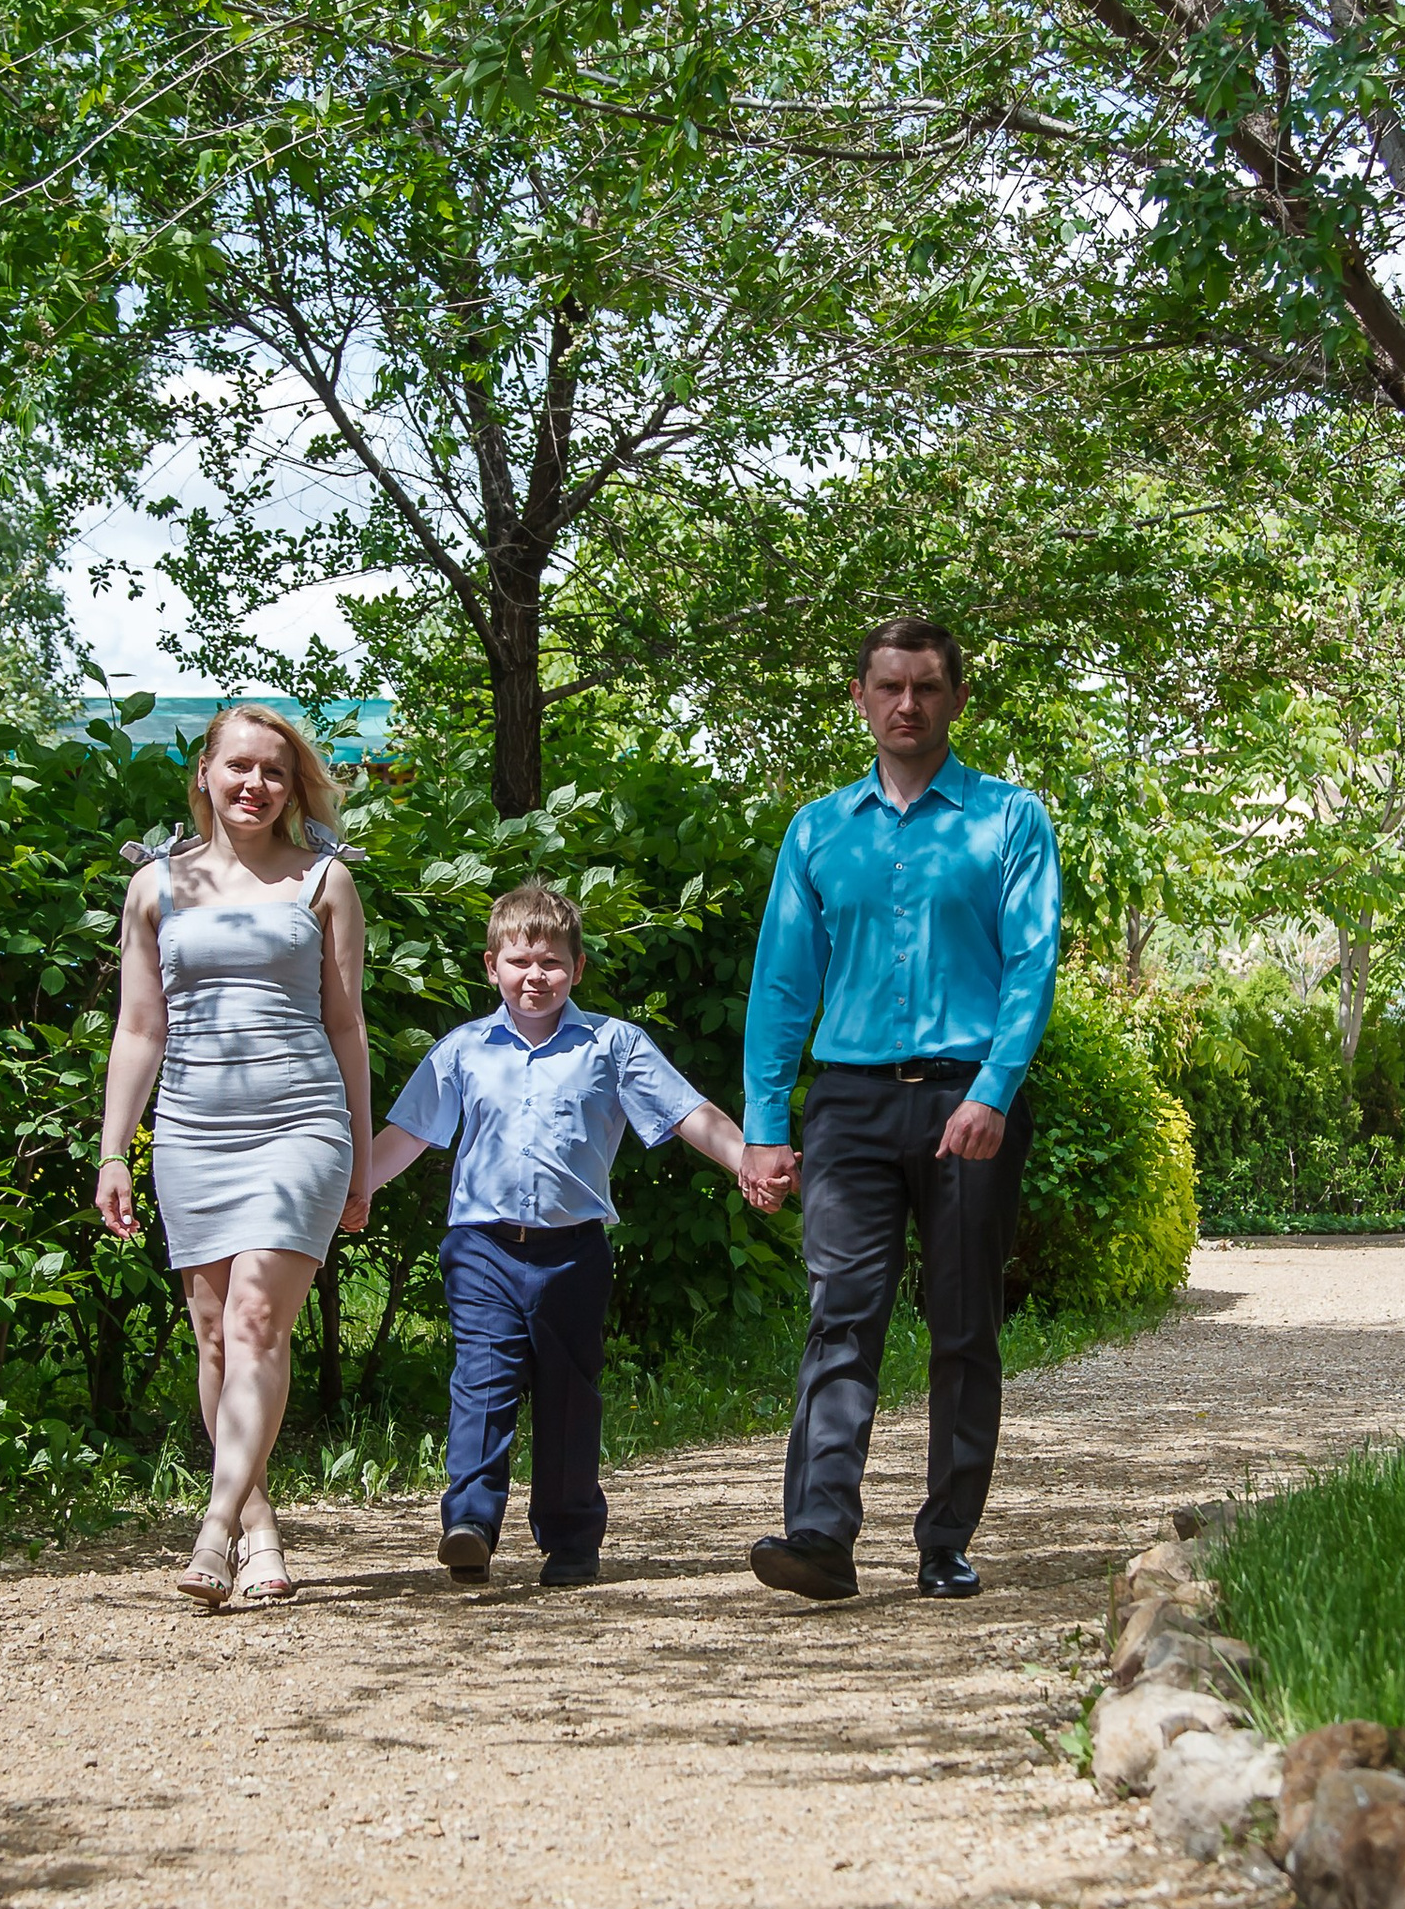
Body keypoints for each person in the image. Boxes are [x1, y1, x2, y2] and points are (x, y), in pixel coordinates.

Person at [739, 617, 1061, 1604]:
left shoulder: (1009, 819)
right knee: (842, 1315)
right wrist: (764, 1119)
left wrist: (994, 1090)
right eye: (889, 686)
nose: (906, 705)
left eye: (925, 687)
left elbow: (1030, 965)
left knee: (963, 1326)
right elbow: (783, 986)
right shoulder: (817, 830)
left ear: (957, 698)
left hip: (971, 1102)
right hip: (847, 1104)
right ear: (860, 696)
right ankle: (820, 1536)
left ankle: (944, 1541)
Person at [366, 881, 767, 1589]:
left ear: (577, 969)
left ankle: (572, 1539)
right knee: (481, 1385)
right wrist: (353, 1186)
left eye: (551, 962)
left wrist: (745, 1161)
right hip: (482, 1247)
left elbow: (686, 1113)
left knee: (569, 1397)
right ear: (491, 967)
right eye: (520, 962)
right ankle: (470, 1524)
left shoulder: (614, 1046)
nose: (535, 977)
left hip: (574, 1251)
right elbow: (409, 1134)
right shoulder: (462, 1051)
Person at [95, 703, 373, 1609]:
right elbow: (140, 1029)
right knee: (215, 1338)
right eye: (239, 767)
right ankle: (255, 1524)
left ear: (294, 789)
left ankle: (210, 1534)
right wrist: (114, 1154)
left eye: (276, 772)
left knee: (258, 1319)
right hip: (191, 1132)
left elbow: (347, 1027)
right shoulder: (155, 890)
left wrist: (361, 1159)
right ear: (205, 774)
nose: (255, 784)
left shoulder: (323, 883)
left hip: (300, 1125)